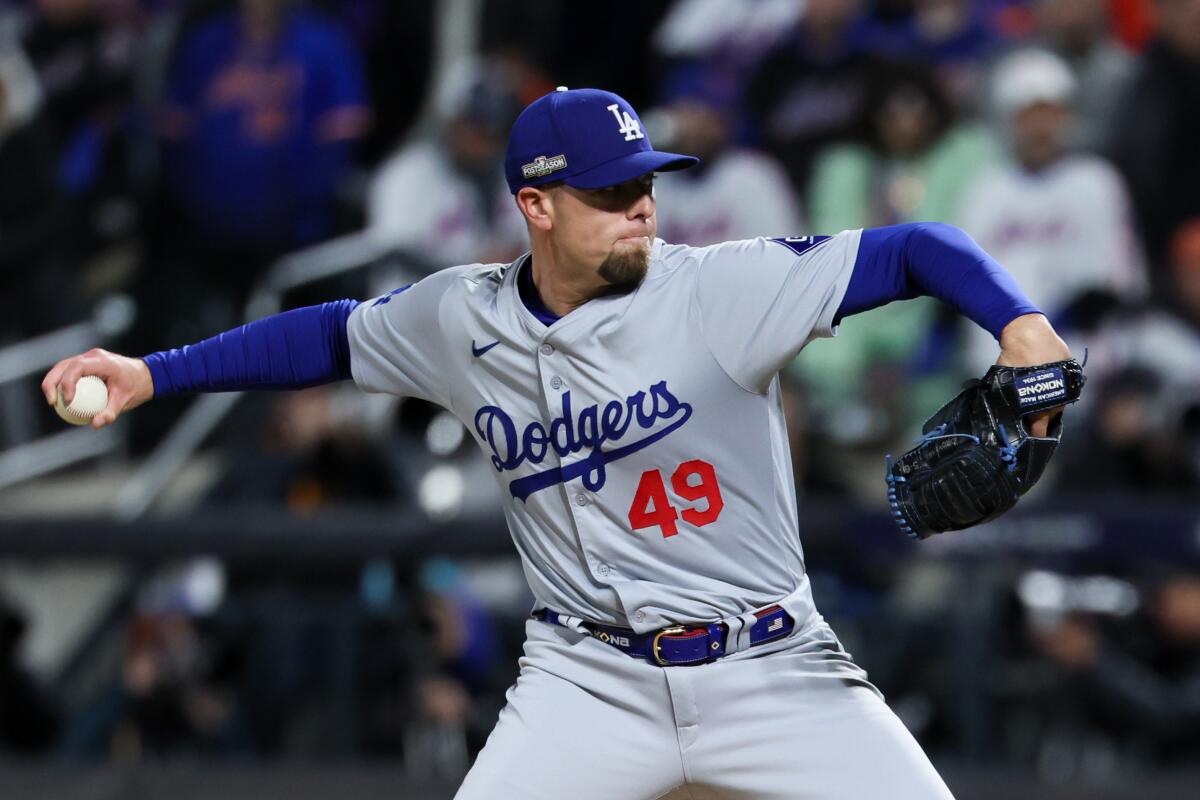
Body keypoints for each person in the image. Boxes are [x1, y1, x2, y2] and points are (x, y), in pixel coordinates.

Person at [44, 86, 1072, 799]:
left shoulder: (719, 287)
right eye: (611, 192)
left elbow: (917, 247)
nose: (642, 207)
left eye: (647, 182)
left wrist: (1019, 321)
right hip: (589, 679)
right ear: (535, 205)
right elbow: (322, 333)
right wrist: (152, 373)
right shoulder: (462, 318)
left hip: (771, 664)